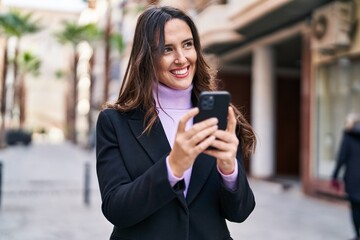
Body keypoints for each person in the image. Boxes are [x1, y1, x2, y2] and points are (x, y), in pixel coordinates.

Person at [96, 5, 256, 240]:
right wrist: (172, 167)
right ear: (146, 56)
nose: (182, 59)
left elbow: (240, 212)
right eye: (167, 49)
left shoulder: (220, 116)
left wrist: (229, 169)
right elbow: (116, 210)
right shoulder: (115, 122)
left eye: (188, 44)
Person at [331, 113, 360, 240]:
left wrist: (335, 176)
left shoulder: (348, 136)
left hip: (353, 179)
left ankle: (358, 235)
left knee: (355, 208)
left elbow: (341, 158)